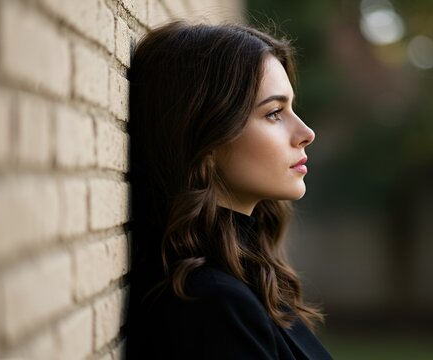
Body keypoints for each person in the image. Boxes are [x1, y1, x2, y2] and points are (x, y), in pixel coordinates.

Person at [125, 20, 333, 359]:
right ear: (206, 139)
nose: (306, 132)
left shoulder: (247, 279)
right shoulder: (211, 304)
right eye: (274, 113)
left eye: (292, 108)